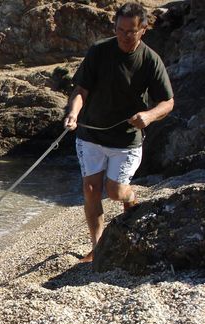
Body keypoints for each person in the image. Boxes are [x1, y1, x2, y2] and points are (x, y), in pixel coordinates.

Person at [63, 2, 174, 263]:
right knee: (91, 189)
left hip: (126, 139)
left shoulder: (150, 60)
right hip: (91, 134)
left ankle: (131, 196)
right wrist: (73, 113)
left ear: (143, 30)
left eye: (131, 31)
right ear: (115, 26)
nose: (125, 36)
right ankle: (98, 247)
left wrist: (148, 116)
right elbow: (81, 90)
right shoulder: (99, 51)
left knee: (114, 192)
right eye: (120, 30)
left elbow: (167, 102)